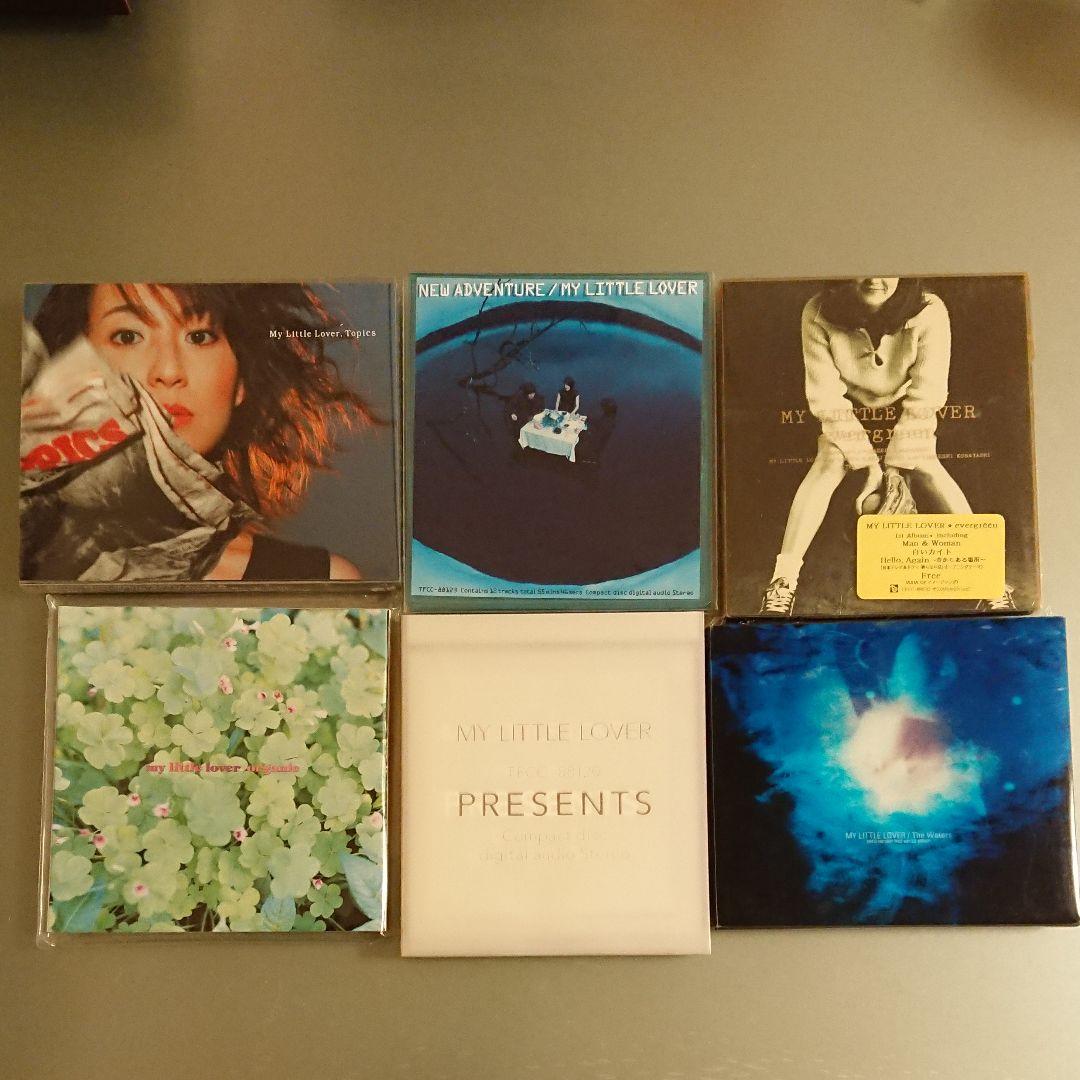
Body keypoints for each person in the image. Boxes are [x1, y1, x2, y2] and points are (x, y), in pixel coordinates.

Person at [26, 282, 376, 580]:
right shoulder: (23, 562)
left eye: (199, 336)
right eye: (129, 336)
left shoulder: (317, 581)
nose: (168, 370)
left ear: (240, 381)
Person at [760, 277, 1008, 615]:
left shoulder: (930, 310)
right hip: (846, 410)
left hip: (906, 409)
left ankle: (991, 580)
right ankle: (782, 581)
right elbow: (826, 399)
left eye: (886, 271)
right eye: (861, 270)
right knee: (829, 461)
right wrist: (868, 466)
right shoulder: (816, 311)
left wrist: (895, 468)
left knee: (927, 463)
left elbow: (927, 396)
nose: (875, 279)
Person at [577, 397, 617, 467]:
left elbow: (596, 436)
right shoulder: (609, 417)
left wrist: (583, 432)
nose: (602, 408)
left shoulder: (607, 422)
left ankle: (580, 457)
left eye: (603, 407)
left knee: (577, 435)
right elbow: (598, 422)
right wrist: (587, 418)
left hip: (595, 441)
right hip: (597, 438)